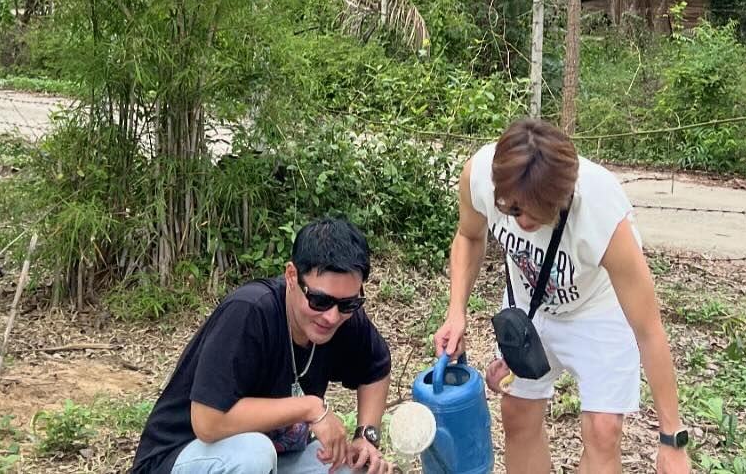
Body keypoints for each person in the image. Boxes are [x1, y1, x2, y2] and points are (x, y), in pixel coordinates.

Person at [433, 119, 690, 474]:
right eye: (513, 210)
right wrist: (456, 311)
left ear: (564, 196)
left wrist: (671, 438)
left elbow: (649, 329)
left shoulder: (602, 212)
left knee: (603, 430)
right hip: (530, 307)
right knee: (518, 413)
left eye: (536, 213)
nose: (522, 223)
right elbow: (469, 237)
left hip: (599, 307)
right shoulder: (479, 174)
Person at [132, 217, 394, 474]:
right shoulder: (250, 311)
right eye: (319, 300)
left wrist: (366, 437)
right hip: (185, 456)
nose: (332, 316)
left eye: (348, 304)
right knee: (253, 455)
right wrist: (310, 407)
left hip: (279, 460)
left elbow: (376, 367)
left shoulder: (343, 318)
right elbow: (207, 421)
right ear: (292, 276)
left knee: (351, 469)